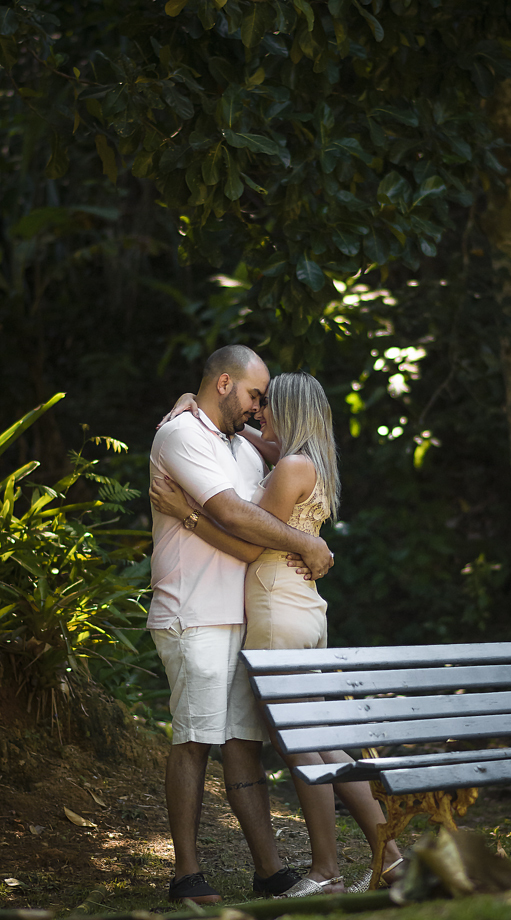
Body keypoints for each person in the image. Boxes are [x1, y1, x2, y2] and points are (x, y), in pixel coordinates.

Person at [150, 370, 403, 898]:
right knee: (324, 744)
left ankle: (326, 871)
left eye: (265, 403)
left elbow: (249, 543)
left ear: (286, 410)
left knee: (297, 745)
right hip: (303, 607)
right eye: (255, 400)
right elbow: (245, 431)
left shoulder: (287, 467)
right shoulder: (307, 461)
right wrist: (195, 402)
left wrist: (185, 514)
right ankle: (394, 858)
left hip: (273, 606)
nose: (258, 411)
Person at [147, 346, 334, 905]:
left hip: (246, 616)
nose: (259, 407)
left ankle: (269, 870)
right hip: (195, 610)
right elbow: (231, 513)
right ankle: (186, 874)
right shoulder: (181, 436)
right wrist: (305, 542)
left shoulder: (243, 445)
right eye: (255, 395)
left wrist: (191, 395)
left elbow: (290, 451)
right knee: (194, 739)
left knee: (242, 743)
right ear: (224, 383)